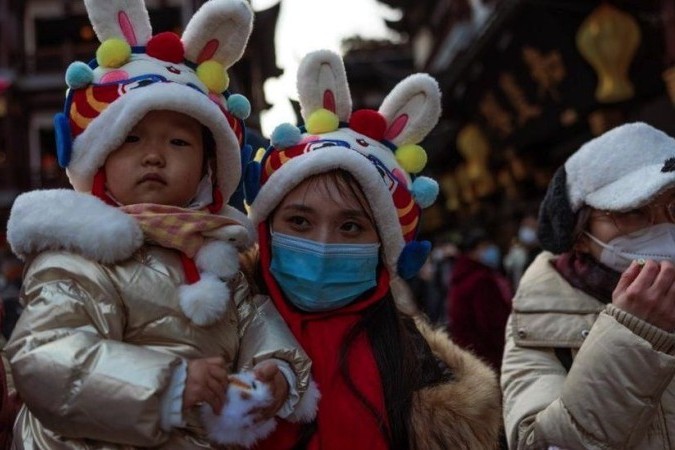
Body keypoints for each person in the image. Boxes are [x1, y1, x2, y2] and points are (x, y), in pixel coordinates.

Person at [3, 0, 312, 448]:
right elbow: (44, 357)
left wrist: (277, 370)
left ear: (208, 167)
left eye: (178, 141)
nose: (154, 154)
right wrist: (167, 384)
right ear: (99, 157)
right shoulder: (77, 256)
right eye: (130, 138)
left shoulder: (216, 257)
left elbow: (256, 322)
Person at [242, 49, 502, 449]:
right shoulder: (207, 333)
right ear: (266, 228)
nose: (323, 245)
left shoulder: (422, 374)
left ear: (386, 248)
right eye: (299, 221)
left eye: (350, 226)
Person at [501, 122, 675, 449]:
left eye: (674, 208)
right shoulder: (537, 317)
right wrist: (635, 334)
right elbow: (538, 443)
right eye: (633, 212)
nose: (664, 229)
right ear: (579, 236)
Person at [447, 229, 513, 373]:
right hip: (489, 357)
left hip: (470, 356)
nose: (491, 251)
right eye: (485, 247)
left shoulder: (460, 277)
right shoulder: (481, 280)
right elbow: (493, 323)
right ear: (474, 250)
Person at [503, 213, 540, 288]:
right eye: (525, 226)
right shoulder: (515, 252)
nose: (527, 230)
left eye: (532, 227)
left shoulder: (544, 254)